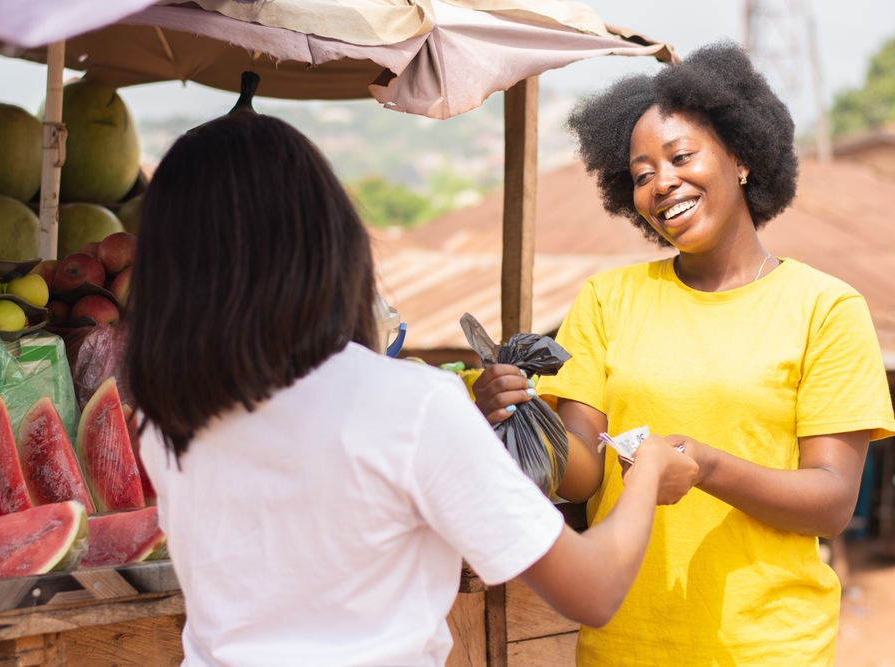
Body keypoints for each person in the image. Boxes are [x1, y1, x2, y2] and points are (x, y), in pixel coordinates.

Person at [123, 112, 696, 667]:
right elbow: (592, 591)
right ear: (326, 241)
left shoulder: (163, 414)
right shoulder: (408, 404)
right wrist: (644, 472)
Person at [474, 41, 895, 666]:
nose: (662, 183)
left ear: (743, 156)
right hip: (625, 645)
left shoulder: (825, 309)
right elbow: (585, 474)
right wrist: (518, 418)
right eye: (642, 175)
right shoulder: (608, 299)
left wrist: (710, 468)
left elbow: (833, 502)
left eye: (680, 156)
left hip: (767, 648)